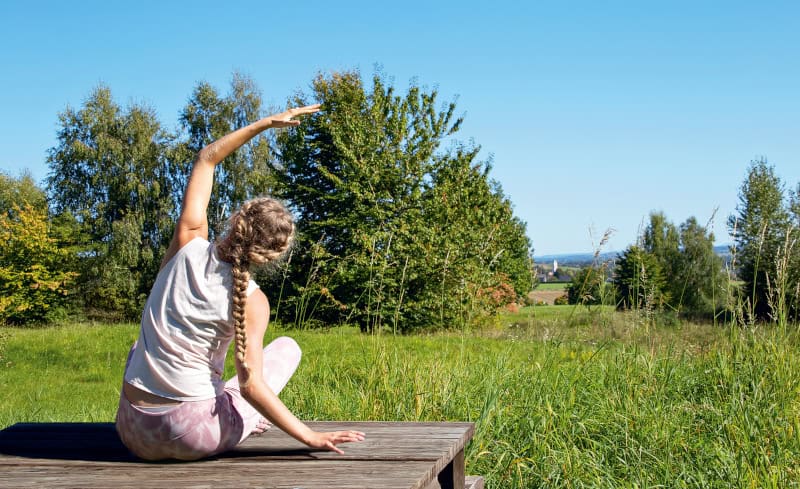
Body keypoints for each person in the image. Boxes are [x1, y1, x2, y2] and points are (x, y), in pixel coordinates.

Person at [115, 104, 365, 461]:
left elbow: (206, 159)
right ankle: (245, 423)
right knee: (286, 348)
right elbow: (251, 387)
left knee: (139, 351)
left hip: (132, 429)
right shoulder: (252, 299)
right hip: (190, 436)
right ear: (273, 255)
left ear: (236, 222)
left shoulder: (186, 242)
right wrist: (309, 437)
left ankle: (232, 416)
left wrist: (265, 123)